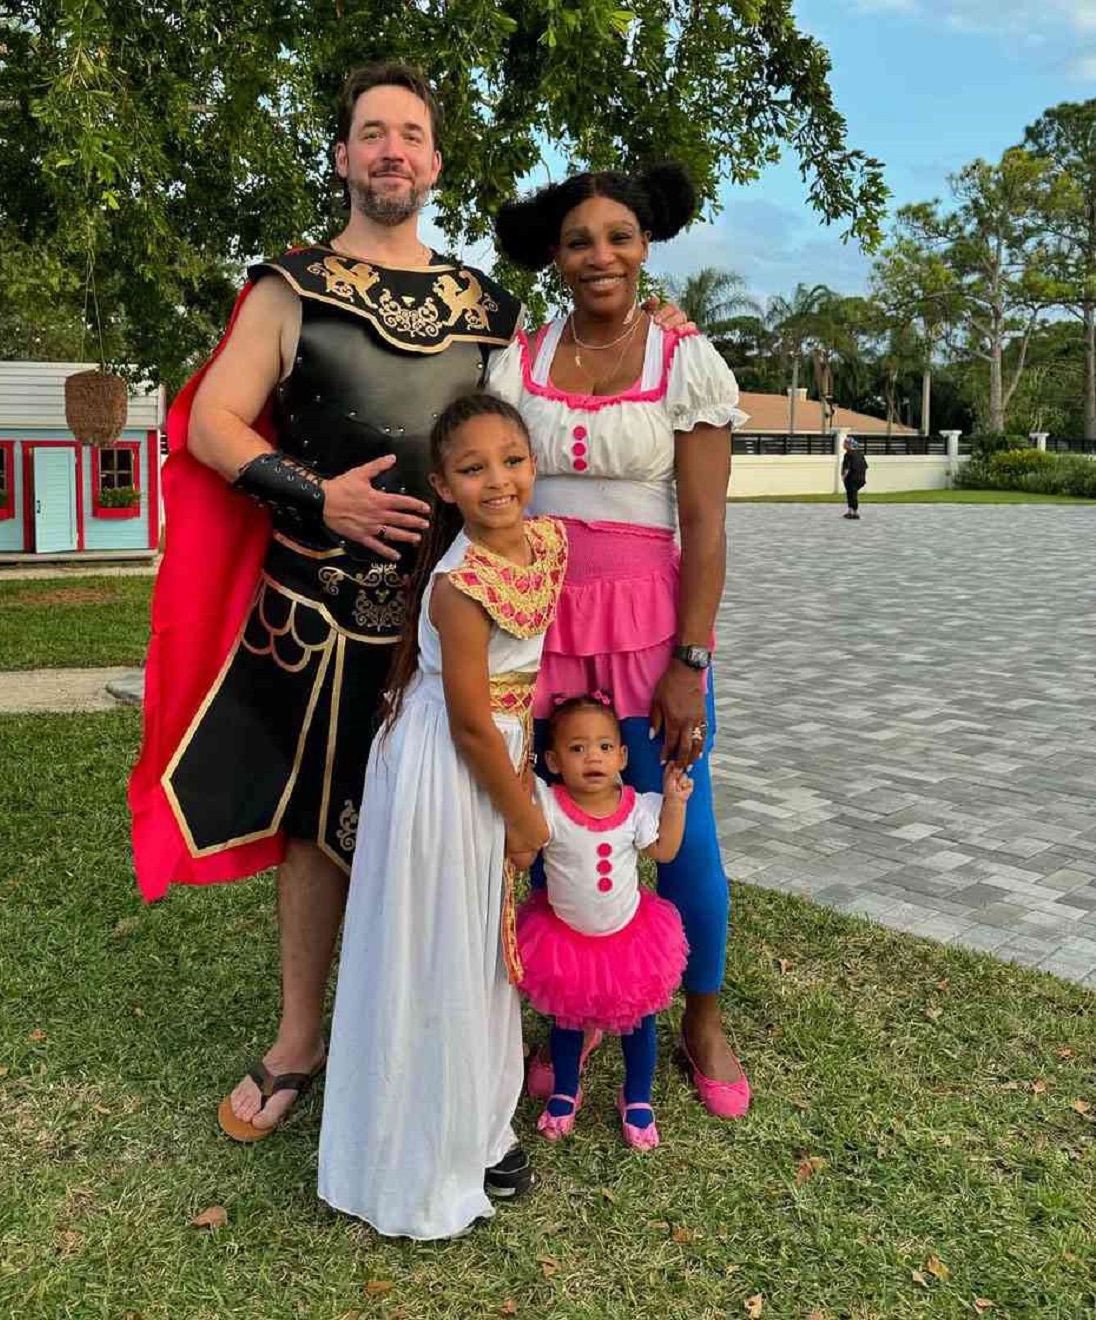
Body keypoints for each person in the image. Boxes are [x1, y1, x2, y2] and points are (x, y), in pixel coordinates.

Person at [127, 64, 532, 1165]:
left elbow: (541, 429)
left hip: (447, 621)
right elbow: (213, 421)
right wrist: (321, 496)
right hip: (311, 614)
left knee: (451, 829)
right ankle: (301, 1040)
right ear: (346, 158)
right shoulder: (290, 286)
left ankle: (444, 1041)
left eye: (410, 134)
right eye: (371, 134)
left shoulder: (490, 312)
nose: (392, 150)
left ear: (435, 162)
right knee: (314, 828)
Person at [489, 161, 752, 1119]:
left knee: (681, 836)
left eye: (618, 236)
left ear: (647, 246)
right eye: (578, 240)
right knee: (529, 825)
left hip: (651, 637)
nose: (599, 255)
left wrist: (691, 659)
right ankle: (560, 1011)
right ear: (555, 258)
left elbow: (708, 528)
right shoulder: (516, 360)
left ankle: (702, 1018)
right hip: (536, 622)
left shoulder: (686, 360)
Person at [317, 393, 566, 1239]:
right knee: (440, 945)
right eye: (472, 469)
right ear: (443, 484)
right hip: (450, 767)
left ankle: (481, 1123)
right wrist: (524, 815)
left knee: (481, 950)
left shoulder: (550, 542)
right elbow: (465, 718)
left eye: (512, 460)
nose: (498, 481)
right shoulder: (460, 587)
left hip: (501, 749)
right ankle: (421, 1150)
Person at [516, 693, 691, 1151]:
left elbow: (665, 851)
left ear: (623, 756)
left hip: (629, 939)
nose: (592, 756)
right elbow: (525, 852)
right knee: (567, 1020)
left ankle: (636, 1097)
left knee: (638, 1022)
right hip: (564, 939)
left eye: (604, 747)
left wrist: (674, 802)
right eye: (577, 749)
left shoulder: (636, 806)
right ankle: (564, 1089)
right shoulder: (548, 806)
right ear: (553, 760)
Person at [842, 435, 868, 519]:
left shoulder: (848, 454)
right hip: (861, 478)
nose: (843, 444)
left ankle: (855, 513)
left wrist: (844, 477)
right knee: (851, 493)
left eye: (845, 443)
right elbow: (865, 466)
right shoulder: (860, 454)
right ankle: (850, 511)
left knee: (852, 494)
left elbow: (847, 468)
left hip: (852, 478)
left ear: (849, 445)